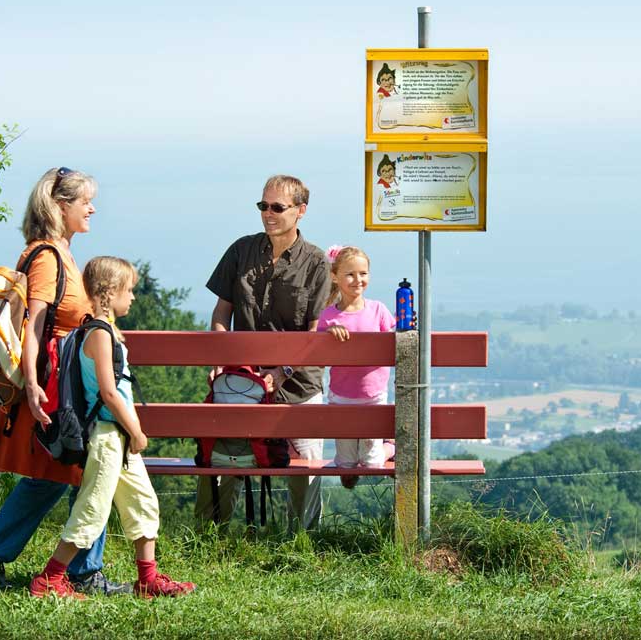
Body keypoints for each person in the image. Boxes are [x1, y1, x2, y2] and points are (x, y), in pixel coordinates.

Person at [0, 167, 129, 596]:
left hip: (62, 384)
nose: (92, 207)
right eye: (84, 200)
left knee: (59, 475)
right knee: (77, 472)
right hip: (56, 388)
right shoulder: (49, 257)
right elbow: (34, 327)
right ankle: (77, 572)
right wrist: (33, 385)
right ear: (59, 206)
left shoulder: (59, 253)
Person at [29, 257, 194, 599]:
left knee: (143, 502)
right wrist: (136, 431)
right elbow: (108, 391)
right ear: (109, 293)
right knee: (92, 508)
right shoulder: (100, 335)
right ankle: (49, 580)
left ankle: (148, 579)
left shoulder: (100, 330)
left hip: (116, 436)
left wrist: (129, 432)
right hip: (107, 437)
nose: (133, 297)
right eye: (128, 290)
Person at [196, 174, 330, 530]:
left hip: (298, 387)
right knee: (225, 456)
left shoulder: (316, 263)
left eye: (277, 207)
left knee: (307, 461)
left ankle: (301, 537)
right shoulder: (241, 250)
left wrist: (282, 372)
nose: (267, 214)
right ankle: (210, 534)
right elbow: (222, 314)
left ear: (301, 211)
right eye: (263, 206)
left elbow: (315, 334)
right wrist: (224, 362)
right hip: (243, 382)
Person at [316, 246, 396, 489]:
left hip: (373, 397)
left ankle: (390, 446)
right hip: (342, 398)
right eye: (350, 274)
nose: (357, 280)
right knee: (346, 467)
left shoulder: (378, 310)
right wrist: (328, 333)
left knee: (372, 464)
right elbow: (317, 349)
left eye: (363, 273)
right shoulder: (329, 316)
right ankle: (350, 463)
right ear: (335, 276)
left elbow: (393, 342)